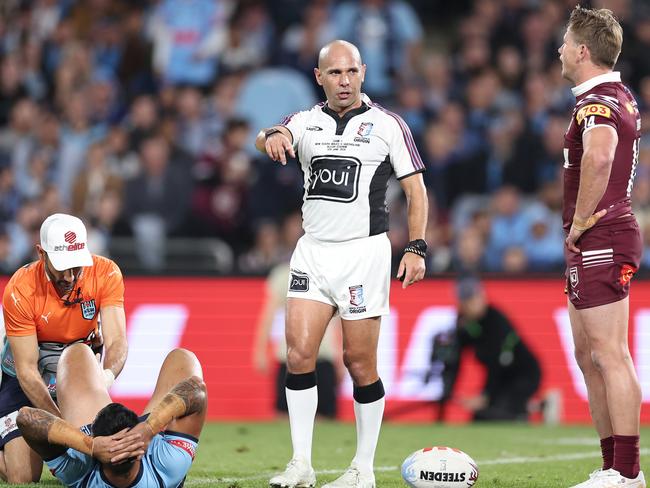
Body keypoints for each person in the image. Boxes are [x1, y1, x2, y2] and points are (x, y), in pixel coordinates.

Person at [255, 40, 428, 488]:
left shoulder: (387, 125)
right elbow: (272, 135)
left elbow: (416, 190)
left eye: (351, 71)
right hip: (313, 250)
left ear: (364, 72)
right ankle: (301, 464)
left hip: (363, 254)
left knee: (358, 362)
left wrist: (417, 246)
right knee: (297, 355)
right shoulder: (306, 121)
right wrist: (270, 136)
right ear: (320, 77)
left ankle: (363, 469)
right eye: (335, 73)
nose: (344, 80)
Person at [559, 6, 644, 487]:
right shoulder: (617, 94)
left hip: (602, 235)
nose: (560, 51)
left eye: (566, 43)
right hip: (600, 236)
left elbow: (601, 153)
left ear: (583, 51)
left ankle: (627, 472)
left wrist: (581, 219)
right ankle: (612, 464)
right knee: (587, 353)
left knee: (610, 353)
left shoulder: (597, 103)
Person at [0, 213, 128, 483]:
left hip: (77, 376)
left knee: (104, 460)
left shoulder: (106, 272)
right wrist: (64, 428)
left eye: (77, 266)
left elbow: (117, 342)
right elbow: (27, 372)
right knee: (23, 477)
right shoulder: (20, 289)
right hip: (27, 381)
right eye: (62, 267)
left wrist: (104, 379)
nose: (70, 276)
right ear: (41, 254)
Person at [16, 343, 207, 487]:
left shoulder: (81, 472)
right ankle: (98, 381)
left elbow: (26, 418)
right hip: (145, 441)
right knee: (183, 358)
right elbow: (196, 388)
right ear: (140, 453)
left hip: (113, 434)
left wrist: (89, 445)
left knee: (76, 353)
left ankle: (96, 382)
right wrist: (149, 428)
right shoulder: (168, 466)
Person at [434, 277, 541, 422]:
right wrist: (449, 390)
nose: (470, 305)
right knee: (480, 418)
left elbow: (497, 363)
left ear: (482, 296)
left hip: (523, 375)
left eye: (473, 299)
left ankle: (535, 407)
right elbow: (456, 358)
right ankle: (529, 407)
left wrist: (486, 396)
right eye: (465, 302)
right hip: (501, 379)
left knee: (499, 415)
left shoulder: (496, 320)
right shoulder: (464, 325)